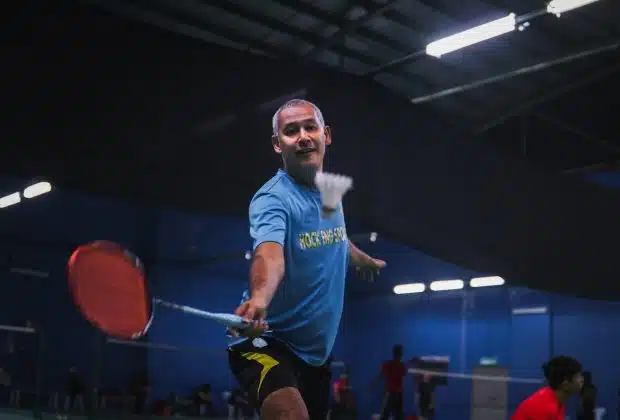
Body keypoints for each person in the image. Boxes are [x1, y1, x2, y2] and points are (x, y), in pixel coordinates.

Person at [227, 99, 386, 420]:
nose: (302, 136)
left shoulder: (330, 190)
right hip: (264, 341)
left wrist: (358, 258)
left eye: (309, 127)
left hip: (316, 356)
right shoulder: (272, 199)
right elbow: (270, 254)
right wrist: (260, 296)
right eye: (290, 131)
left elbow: (333, 236)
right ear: (277, 144)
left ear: (325, 135)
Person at [512, 356, 583, 420]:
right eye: (578, 376)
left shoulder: (558, 400)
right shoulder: (545, 408)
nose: (582, 379)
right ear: (565, 385)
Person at [376, 345, 407, 420]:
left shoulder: (393, 365)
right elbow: (381, 374)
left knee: (391, 415)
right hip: (393, 393)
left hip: (394, 393)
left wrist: (374, 383)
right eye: (400, 353)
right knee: (393, 415)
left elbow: (381, 374)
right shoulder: (399, 365)